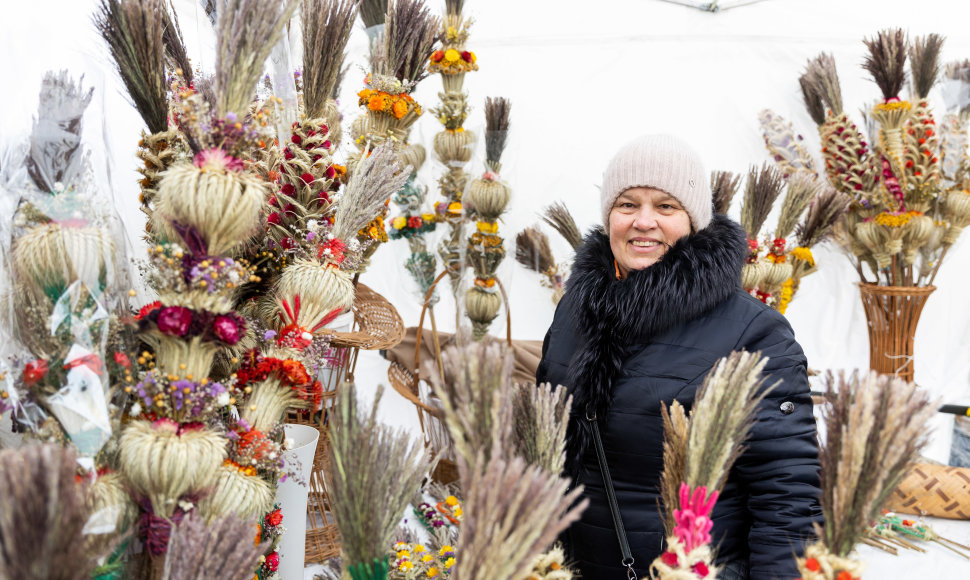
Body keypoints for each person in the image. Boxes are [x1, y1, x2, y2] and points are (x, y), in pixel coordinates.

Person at [535, 134, 823, 580]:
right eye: (627, 204)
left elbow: (788, 498)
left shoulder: (754, 332)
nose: (643, 222)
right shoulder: (575, 312)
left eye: (666, 207)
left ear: (693, 221)